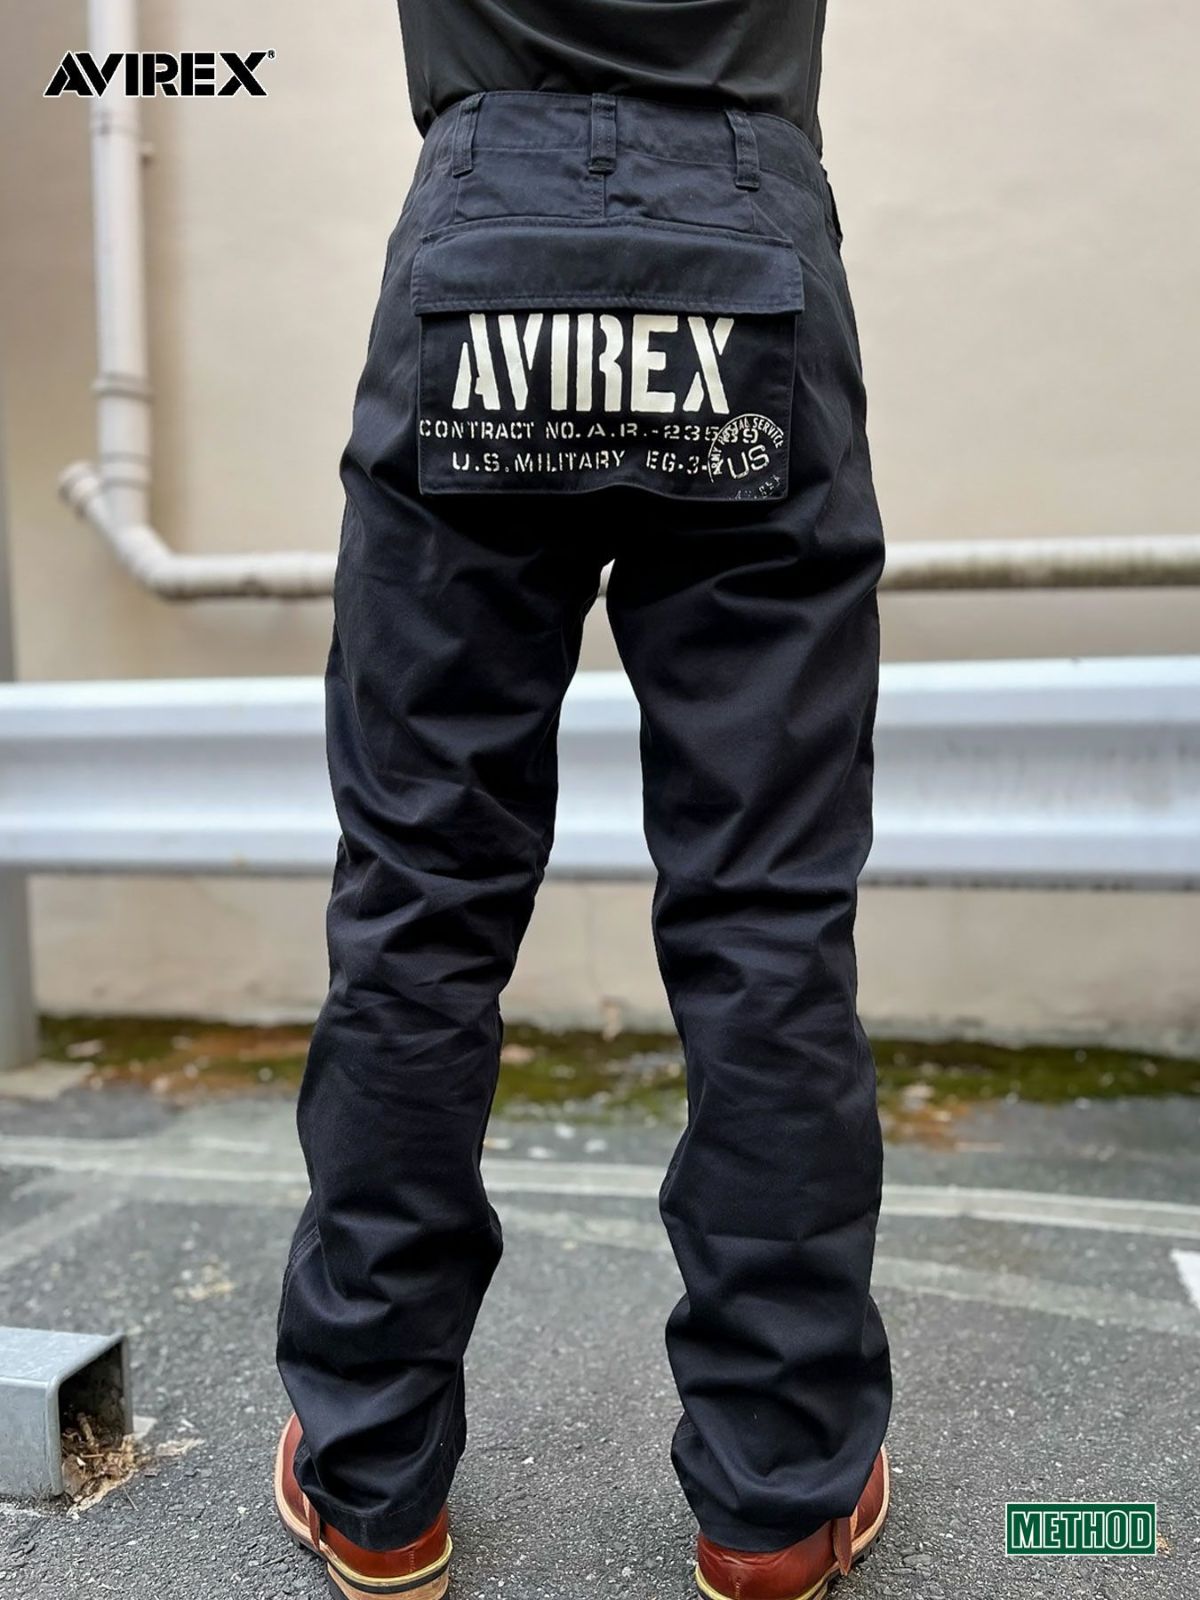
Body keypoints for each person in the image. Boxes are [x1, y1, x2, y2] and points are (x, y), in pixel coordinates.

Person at [273, 4, 891, 1597]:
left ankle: (376, 1487)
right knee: (767, 915)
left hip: (488, 224)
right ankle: (776, 1504)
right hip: (746, 232)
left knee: (421, 901)